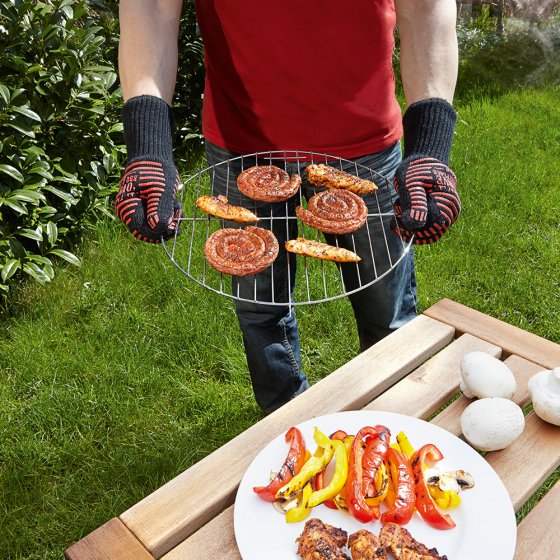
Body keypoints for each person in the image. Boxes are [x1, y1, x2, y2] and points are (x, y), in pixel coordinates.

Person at [115, 0, 461, 413]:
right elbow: (150, 8)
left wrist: (431, 142)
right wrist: (148, 142)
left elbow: (425, 8)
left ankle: (395, 419)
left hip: (364, 145)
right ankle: (286, 426)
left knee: (385, 308)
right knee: (261, 313)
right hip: (241, 143)